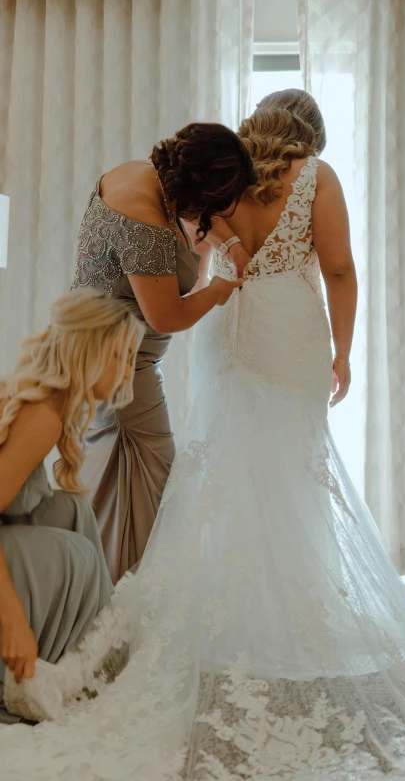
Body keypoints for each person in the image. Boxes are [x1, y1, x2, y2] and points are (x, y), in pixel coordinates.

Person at [2, 91, 405, 781]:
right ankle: (287, 605)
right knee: (290, 473)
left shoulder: (220, 186)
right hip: (284, 333)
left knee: (218, 473)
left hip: (228, 336)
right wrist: (343, 350)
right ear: (312, 135)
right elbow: (337, 268)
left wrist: (220, 271)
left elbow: (205, 268)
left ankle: (202, 608)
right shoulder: (307, 178)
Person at [72, 122, 254, 583]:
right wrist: (218, 289)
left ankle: (107, 603)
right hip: (121, 369)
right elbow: (166, 317)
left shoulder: (138, 175)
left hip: (104, 357)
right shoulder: (146, 220)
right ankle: (122, 612)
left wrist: (224, 241)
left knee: (119, 490)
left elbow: (188, 230)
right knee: (150, 486)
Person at [0, 288, 143, 725]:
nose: (128, 371)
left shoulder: (50, 408)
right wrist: (14, 624)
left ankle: (92, 664)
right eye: (119, 355)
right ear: (88, 348)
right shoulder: (41, 416)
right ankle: (49, 672)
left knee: (71, 511)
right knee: (74, 554)